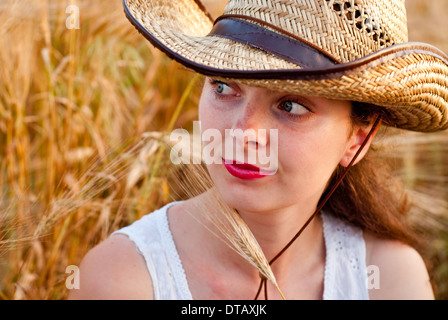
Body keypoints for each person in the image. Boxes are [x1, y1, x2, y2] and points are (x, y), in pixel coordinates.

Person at [68, 0, 448, 300]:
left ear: (358, 139)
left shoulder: (391, 280)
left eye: (291, 105)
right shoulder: (123, 280)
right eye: (223, 87)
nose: (243, 132)